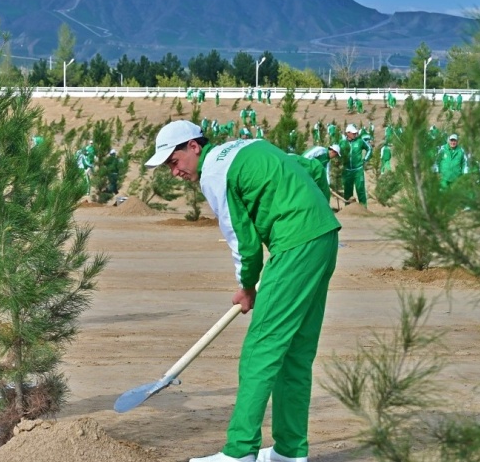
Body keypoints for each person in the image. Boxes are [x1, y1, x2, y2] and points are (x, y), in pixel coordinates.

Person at [144, 120, 341, 462]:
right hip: (323, 237)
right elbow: (309, 164)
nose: (174, 172)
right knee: (294, 353)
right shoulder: (247, 145)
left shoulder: (214, 174)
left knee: (259, 350)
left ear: (193, 146)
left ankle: (239, 452)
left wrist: (247, 287)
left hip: (294, 245)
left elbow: (242, 241)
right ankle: (289, 452)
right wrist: (316, 208)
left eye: (173, 162)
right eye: (167, 168)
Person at [339, 124, 372, 208]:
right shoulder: (342, 143)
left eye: (356, 133)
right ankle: (348, 209)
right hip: (347, 171)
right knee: (347, 191)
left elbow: (369, 148)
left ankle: (363, 209)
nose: (355, 134)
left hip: (358, 170)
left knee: (360, 190)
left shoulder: (360, 141)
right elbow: (338, 154)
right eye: (353, 133)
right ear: (348, 133)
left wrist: (365, 160)